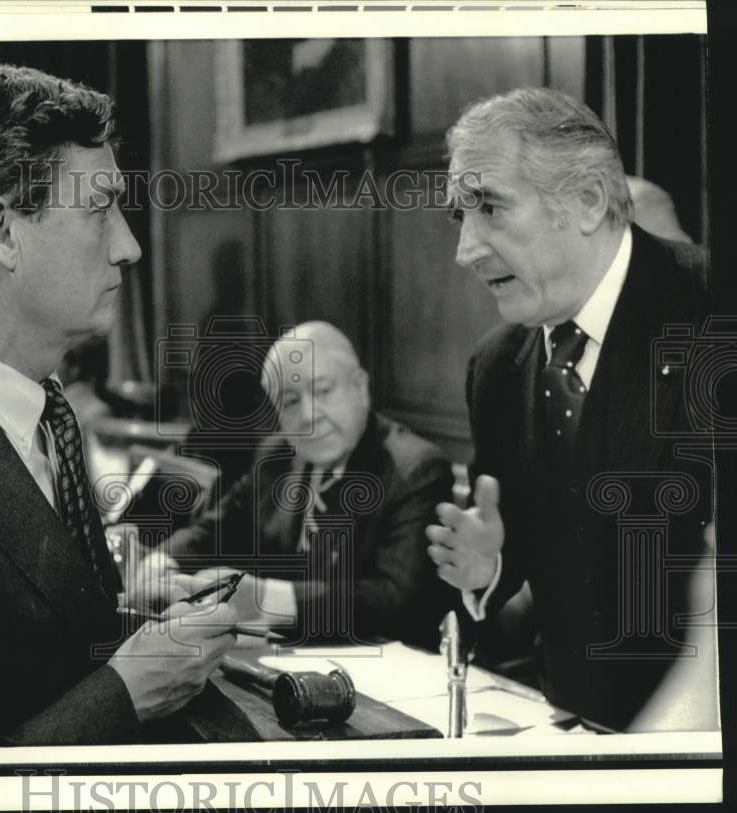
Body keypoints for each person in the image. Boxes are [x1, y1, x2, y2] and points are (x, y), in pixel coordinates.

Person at [0, 65, 237, 748]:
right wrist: (126, 693)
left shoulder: (43, 409)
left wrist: (121, 615)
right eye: (99, 210)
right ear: (2, 230)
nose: (129, 246)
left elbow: (6, 653)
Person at [425, 87, 712, 731]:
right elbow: (524, 545)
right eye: (459, 217)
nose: (465, 250)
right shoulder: (496, 366)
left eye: (489, 207)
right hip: (568, 731)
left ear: (586, 200)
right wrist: (488, 567)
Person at [160, 321, 455, 649]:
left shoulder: (414, 470)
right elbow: (215, 530)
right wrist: (162, 563)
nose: (309, 416)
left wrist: (268, 599)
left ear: (360, 387)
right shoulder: (276, 456)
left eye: (323, 391)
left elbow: (396, 601)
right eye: (289, 402)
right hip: (278, 655)